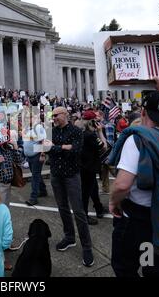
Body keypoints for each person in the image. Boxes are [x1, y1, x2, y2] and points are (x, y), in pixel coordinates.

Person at [108, 77, 159, 277]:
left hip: (140, 219)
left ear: (143, 112)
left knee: (125, 266)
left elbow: (122, 185)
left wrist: (113, 202)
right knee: (158, 269)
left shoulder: (138, 139)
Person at [42, 107, 94, 267]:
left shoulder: (76, 131)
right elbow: (46, 148)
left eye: (56, 115)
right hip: (56, 175)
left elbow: (76, 151)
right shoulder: (51, 131)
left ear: (65, 115)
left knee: (78, 211)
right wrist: (64, 147)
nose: (54, 118)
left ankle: (87, 247)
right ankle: (69, 237)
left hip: (72, 176)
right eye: (52, 116)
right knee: (62, 208)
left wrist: (55, 147)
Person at [76, 110, 108, 225]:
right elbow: (104, 147)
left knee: (93, 188)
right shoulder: (90, 135)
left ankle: (99, 208)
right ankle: (84, 215)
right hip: (88, 167)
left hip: (84, 165)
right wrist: (100, 132)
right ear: (91, 122)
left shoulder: (80, 132)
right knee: (85, 192)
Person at [22, 110, 48, 206]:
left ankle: (33, 197)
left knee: (35, 176)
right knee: (36, 174)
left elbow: (43, 141)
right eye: (27, 117)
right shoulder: (29, 128)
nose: (28, 119)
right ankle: (43, 190)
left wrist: (42, 154)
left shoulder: (38, 127)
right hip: (30, 156)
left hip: (37, 155)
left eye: (30, 117)